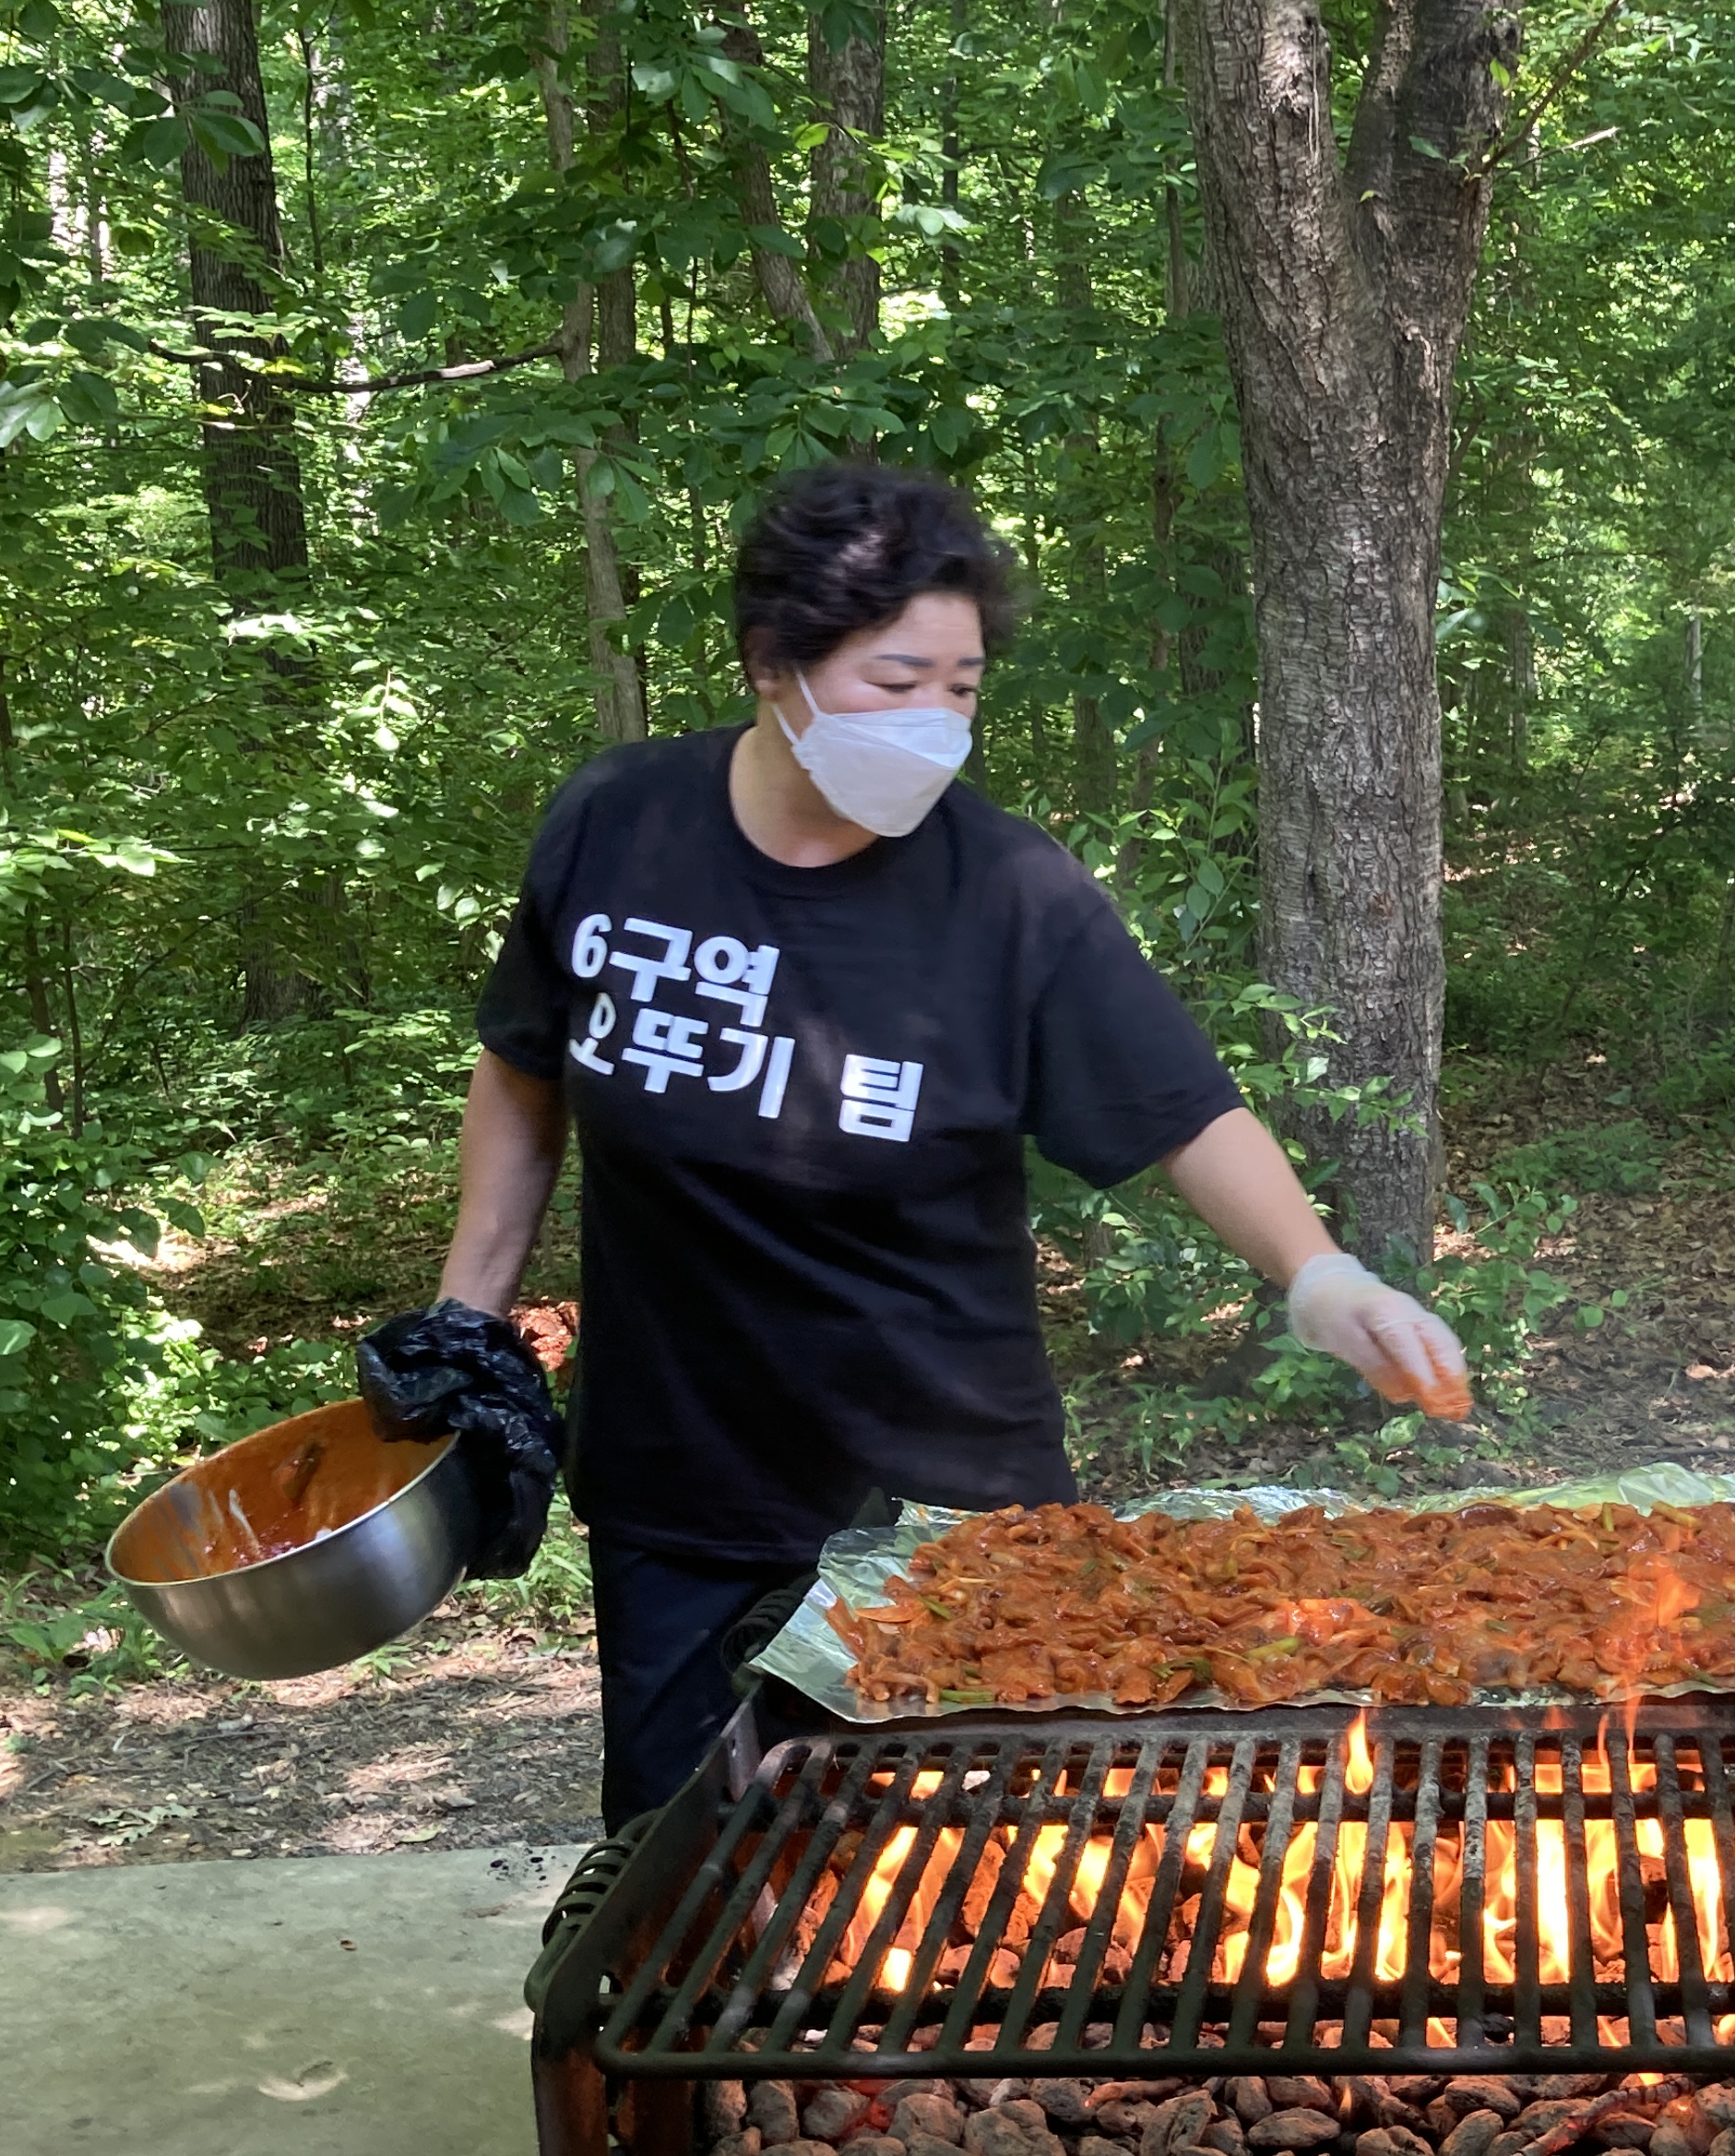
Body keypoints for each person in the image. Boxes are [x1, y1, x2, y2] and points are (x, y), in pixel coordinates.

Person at [435, 461, 1466, 1825]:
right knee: (689, 1866)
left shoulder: (1010, 892)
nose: (934, 721)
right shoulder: (618, 825)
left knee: (972, 1881)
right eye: (895, 679)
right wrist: (467, 1324)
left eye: (963, 688)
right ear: (771, 665)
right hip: (678, 1488)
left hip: (950, 1499)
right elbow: (525, 1069)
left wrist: (1319, 1272)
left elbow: (1182, 1109)